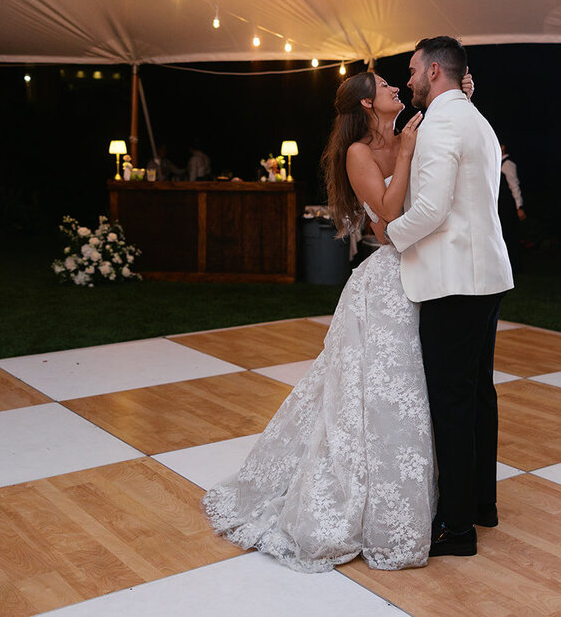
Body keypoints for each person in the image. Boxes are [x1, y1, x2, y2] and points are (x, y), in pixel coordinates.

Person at [203, 69, 473, 573]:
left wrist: (457, 99)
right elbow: (387, 219)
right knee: (375, 395)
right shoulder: (359, 154)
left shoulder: (412, 131)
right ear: (367, 105)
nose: (397, 87)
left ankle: (421, 500)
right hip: (388, 283)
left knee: (416, 392)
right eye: (385, 85)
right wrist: (408, 153)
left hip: (427, 276)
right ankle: (358, 508)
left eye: (400, 81)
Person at [374, 36, 513, 558]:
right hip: (488, 276)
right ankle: (481, 503)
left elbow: (431, 209)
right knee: (478, 394)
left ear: (434, 71)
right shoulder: (476, 119)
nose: (406, 79)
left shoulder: (439, 124)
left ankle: (456, 529)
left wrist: (392, 234)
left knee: (452, 403)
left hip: (454, 280)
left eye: (411, 70)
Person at [499, 142, 526, 271]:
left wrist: (519, 207)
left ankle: (514, 266)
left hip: (507, 205)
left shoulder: (508, 164)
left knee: (509, 235)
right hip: (500, 205)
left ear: (503, 147)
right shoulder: (498, 164)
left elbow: (514, 186)